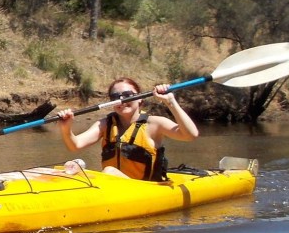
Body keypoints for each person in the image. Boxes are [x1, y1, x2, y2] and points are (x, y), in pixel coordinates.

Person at [53, 77, 199, 181]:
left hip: (146, 190)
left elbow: (190, 135)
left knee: (109, 172)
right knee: (72, 166)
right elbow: (75, 145)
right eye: (115, 97)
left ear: (140, 98)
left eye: (128, 95)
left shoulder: (155, 124)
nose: (122, 100)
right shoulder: (105, 124)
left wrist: (170, 102)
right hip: (115, 187)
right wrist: (66, 128)